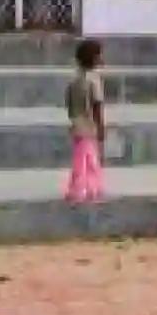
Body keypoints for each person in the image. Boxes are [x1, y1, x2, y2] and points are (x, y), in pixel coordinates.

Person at [64, 39, 106, 204]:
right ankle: (87, 189)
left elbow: (68, 102)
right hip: (89, 126)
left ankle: (79, 188)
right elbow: (97, 105)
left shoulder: (75, 80)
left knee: (80, 158)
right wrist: (101, 126)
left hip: (76, 124)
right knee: (90, 160)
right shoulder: (94, 80)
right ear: (94, 58)